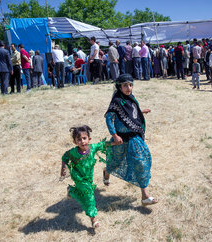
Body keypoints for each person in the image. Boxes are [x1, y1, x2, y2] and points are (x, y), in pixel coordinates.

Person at [104, 73, 158, 206]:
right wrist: (115, 135)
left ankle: (145, 196)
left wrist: (141, 111)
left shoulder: (131, 98)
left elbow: (132, 112)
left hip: (134, 138)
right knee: (115, 162)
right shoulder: (116, 101)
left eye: (130, 85)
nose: (128, 88)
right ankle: (106, 171)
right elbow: (108, 118)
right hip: (120, 140)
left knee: (141, 162)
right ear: (119, 87)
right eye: (125, 85)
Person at [60, 125, 114, 229]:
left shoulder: (92, 148)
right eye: (79, 139)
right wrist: (63, 167)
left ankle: (71, 191)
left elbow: (102, 144)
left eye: (84, 138)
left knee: (84, 193)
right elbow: (65, 156)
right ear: (75, 142)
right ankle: (93, 219)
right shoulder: (73, 152)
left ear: (89, 139)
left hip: (88, 178)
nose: (82, 141)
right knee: (89, 196)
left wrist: (114, 142)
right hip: (78, 177)